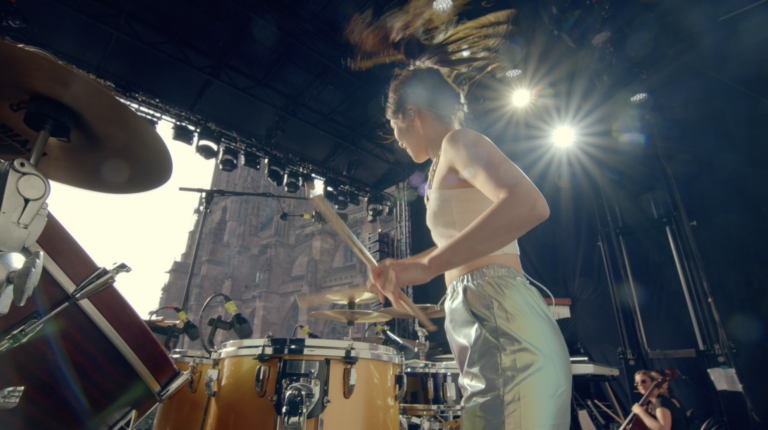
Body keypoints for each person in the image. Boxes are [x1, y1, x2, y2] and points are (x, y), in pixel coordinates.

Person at [345, 3, 572, 429]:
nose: (396, 142)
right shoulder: (442, 164)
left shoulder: (460, 142)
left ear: (413, 115)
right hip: (486, 318)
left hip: (500, 316)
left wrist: (426, 265)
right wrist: (408, 268)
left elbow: (530, 204)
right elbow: (466, 243)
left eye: (393, 129)